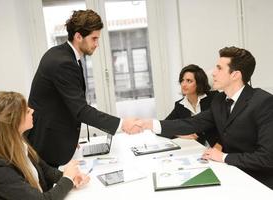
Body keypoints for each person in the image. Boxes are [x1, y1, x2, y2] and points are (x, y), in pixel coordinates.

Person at [143, 46, 273, 189]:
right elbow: (193, 123)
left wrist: (223, 157)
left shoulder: (264, 102)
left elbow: (266, 158)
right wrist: (149, 124)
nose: (213, 73)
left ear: (235, 75)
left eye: (219, 68)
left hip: (259, 182)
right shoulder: (220, 100)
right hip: (231, 171)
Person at [28, 9, 141, 167]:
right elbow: (80, 110)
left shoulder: (65, 56)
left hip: (55, 138)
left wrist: (69, 138)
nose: (97, 44)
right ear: (78, 36)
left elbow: (64, 102)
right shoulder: (63, 62)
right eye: (94, 38)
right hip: (47, 144)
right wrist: (122, 124)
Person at [0, 91, 90, 199]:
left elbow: (46, 171)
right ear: (12, 122)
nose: (32, 111)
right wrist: (68, 178)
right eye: (26, 111)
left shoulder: (20, 146)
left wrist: (72, 177)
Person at [165, 64, 218, 146]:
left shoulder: (214, 97)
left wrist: (218, 146)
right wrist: (179, 135)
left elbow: (225, 127)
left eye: (189, 81)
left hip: (219, 147)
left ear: (199, 83)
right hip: (196, 148)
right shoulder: (180, 105)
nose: (183, 84)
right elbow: (164, 126)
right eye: (182, 80)